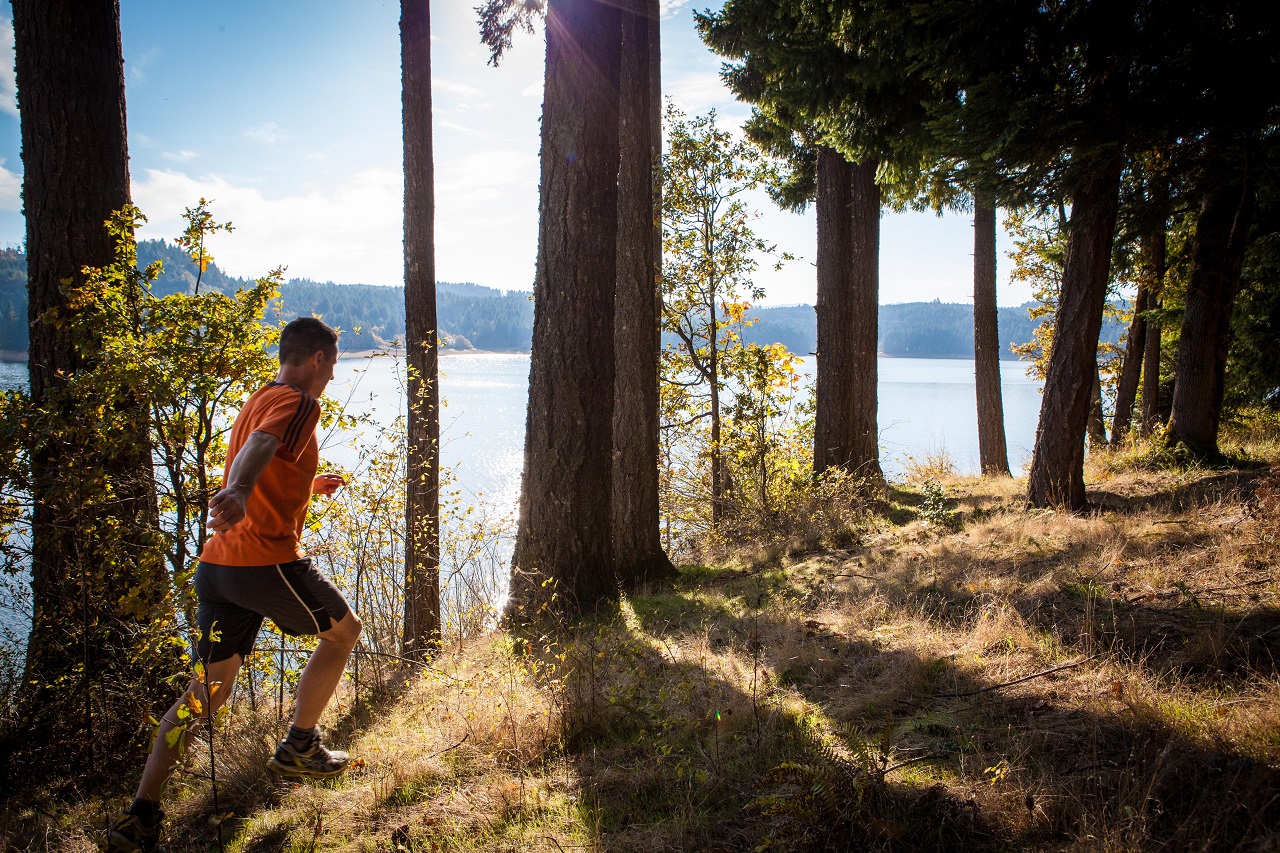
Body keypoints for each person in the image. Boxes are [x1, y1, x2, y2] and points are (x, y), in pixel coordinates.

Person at [107, 317, 363, 853]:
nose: (333, 376)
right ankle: (300, 745)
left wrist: (307, 484)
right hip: (261, 562)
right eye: (334, 363)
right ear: (317, 358)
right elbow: (261, 450)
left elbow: (264, 454)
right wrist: (241, 492)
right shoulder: (298, 402)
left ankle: (141, 815)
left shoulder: (260, 396)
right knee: (344, 632)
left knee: (205, 695)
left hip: (217, 569)